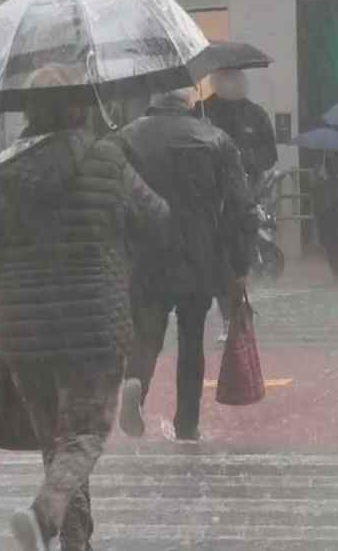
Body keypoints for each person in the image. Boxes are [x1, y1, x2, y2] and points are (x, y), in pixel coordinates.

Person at [0, 64, 169, 551]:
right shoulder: (106, 158)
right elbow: (157, 219)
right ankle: (44, 515)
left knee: (58, 444)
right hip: (93, 328)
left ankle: (77, 543)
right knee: (86, 434)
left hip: (23, 336)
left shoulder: (2, 168)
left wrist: (5, 279)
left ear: (30, 111)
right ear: (81, 105)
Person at [111, 87, 257, 443]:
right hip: (199, 254)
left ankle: (136, 382)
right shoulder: (215, 139)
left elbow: (111, 198)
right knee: (192, 339)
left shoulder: (126, 138)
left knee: (147, 332)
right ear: (188, 106)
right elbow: (241, 207)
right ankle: (187, 423)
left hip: (147, 253)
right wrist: (238, 264)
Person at [195, 68, 277, 341]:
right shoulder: (203, 112)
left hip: (246, 195)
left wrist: (248, 159)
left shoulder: (255, 115)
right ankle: (229, 317)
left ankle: (239, 310)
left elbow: (270, 154)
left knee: (240, 256)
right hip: (213, 199)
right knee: (221, 259)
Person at [314, 150, 338, 283]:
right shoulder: (321, 169)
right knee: (331, 242)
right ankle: (337, 270)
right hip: (327, 209)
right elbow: (317, 188)